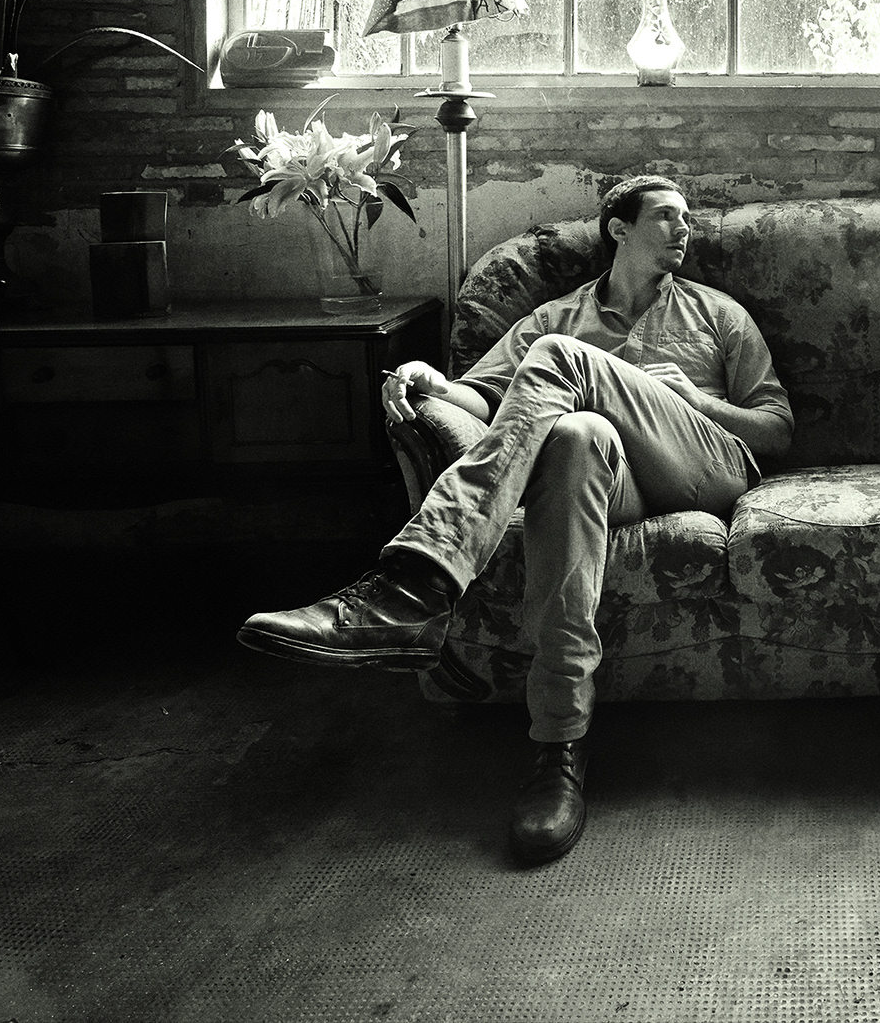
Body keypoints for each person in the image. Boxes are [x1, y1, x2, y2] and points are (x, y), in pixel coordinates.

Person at [239, 176, 794, 862]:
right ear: (619, 229)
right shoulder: (555, 316)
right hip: (617, 483)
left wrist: (696, 402)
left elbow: (777, 430)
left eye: (689, 218)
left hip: (706, 466)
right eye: (667, 217)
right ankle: (559, 745)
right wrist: (435, 383)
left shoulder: (716, 312)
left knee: (561, 359)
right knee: (577, 435)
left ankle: (417, 580)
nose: (686, 229)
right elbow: (487, 402)